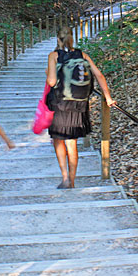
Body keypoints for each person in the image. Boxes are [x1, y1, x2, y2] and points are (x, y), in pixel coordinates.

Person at [46, 25, 115, 189]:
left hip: (60, 105)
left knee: (58, 141)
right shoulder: (83, 55)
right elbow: (99, 75)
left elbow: (51, 82)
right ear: (72, 38)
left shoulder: (54, 55)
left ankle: (65, 178)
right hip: (79, 106)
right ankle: (72, 179)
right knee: (72, 143)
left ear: (58, 39)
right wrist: (108, 97)